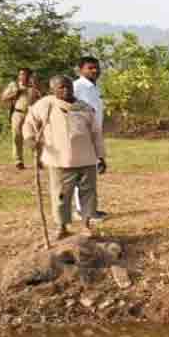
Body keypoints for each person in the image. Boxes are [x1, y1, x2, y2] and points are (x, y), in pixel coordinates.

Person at [23, 75, 106, 239]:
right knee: (61, 196)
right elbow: (29, 123)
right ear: (52, 90)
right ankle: (62, 228)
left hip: (86, 159)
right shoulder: (46, 104)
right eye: (61, 87)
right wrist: (30, 139)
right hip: (59, 160)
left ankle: (86, 225)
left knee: (88, 194)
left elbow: (96, 134)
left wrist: (101, 157)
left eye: (68, 86)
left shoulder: (84, 107)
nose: (66, 90)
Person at [72, 56, 108, 219]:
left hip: (94, 133)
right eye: (90, 68)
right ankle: (83, 210)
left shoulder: (94, 88)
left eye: (96, 67)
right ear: (81, 70)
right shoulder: (76, 86)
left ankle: (89, 208)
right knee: (83, 172)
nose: (95, 70)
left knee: (91, 171)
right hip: (82, 134)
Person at [1, 67, 41, 169]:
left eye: (25, 74)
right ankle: (18, 161)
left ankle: (37, 160)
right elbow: (4, 98)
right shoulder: (14, 85)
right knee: (17, 138)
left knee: (33, 137)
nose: (23, 76)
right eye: (21, 74)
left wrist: (36, 88)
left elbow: (41, 98)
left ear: (29, 76)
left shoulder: (34, 86)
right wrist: (17, 92)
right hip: (18, 113)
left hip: (31, 115)